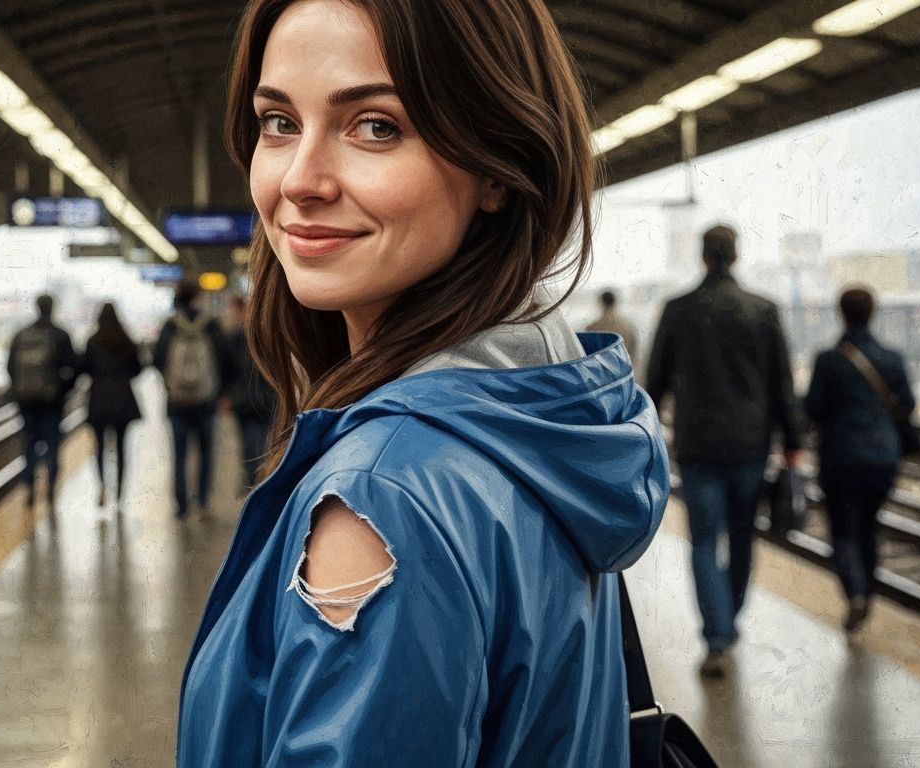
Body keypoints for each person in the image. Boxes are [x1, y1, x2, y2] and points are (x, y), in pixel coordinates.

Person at [177, 2, 668, 766]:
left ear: (498, 169)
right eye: (278, 123)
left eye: (375, 126)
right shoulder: (548, 412)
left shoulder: (379, 496)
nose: (300, 180)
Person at [645, 224, 803, 677]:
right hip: (751, 447)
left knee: (703, 542)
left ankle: (717, 637)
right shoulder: (763, 310)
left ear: (703, 257)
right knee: (742, 538)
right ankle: (727, 623)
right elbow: (782, 385)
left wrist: (644, 435)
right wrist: (792, 443)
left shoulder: (678, 310)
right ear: (735, 256)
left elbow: (654, 383)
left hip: (697, 448)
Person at [806, 287, 916, 632]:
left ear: (841, 313)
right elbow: (909, 405)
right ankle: (867, 593)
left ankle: (855, 592)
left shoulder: (829, 360)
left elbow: (812, 410)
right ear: (873, 312)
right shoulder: (892, 358)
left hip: (841, 459)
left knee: (843, 531)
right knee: (870, 528)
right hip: (883, 458)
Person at [152, 280, 226, 520]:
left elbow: (157, 358)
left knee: (179, 453)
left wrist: (168, 383)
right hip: (206, 400)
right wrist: (221, 391)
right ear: (197, 298)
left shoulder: (170, 326)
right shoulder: (211, 325)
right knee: (206, 453)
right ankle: (202, 503)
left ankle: (181, 506)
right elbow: (226, 359)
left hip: (177, 402)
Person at [7, 294, 77, 507]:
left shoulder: (21, 335)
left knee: (29, 444)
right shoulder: (60, 335)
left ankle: (29, 487)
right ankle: (50, 489)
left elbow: (10, 367)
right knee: (52, 443)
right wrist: (62, 391)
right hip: (52, 402)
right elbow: (73, 367)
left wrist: (20, 391)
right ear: (52, 307)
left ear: (36, 308)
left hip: (27, 401)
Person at [80, 302, 144, 507]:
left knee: (98, 447)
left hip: (98, 399)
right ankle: (119, 494)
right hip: (122, 400)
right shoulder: (126, 341)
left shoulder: (92, 341)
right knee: (121, 447)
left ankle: (102, 487)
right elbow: (138, 369)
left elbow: (83, 368)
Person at [222, 293, 276, 489]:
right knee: (259, 441)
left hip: (245, 399)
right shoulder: (269, 334)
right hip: (266, 398)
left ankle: (253, 480)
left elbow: (229, 369)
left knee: (249, 443)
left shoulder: (237, 336)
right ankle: (255, 478)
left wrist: (226, 394)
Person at [586, 289, 638, 363]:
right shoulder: (628, 326)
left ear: (601, 303)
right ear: (615, 302)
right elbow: (633, 353)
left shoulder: (593, 327)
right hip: (623, 367)